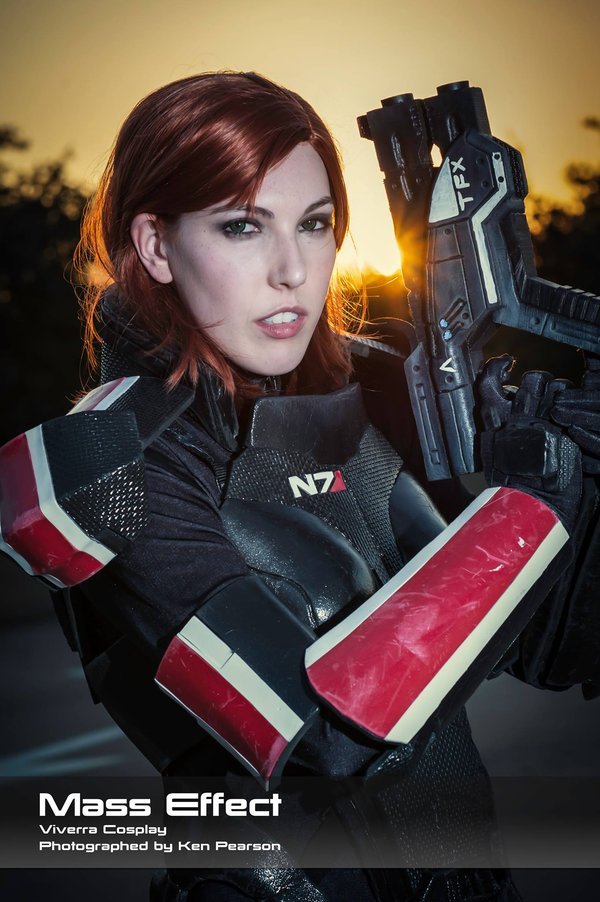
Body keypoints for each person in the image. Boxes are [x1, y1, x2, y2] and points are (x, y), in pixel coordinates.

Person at [1, 71, 599, 901]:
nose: (292, 270)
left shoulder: (377, 394)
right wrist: (524, 520)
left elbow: (550, 645)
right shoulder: (109, 463)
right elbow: (322, 737)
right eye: (243, 226)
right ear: (156, 246)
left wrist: (574, 482)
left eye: (314, 224)